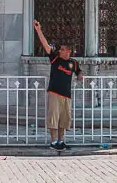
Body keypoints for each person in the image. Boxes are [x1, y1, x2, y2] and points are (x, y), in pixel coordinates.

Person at [33, 20, 83, 150]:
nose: (60, 50)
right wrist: (39, 30)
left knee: (63, 119)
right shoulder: (55, 59)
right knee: (53, 118)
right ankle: (53, 141)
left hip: (66, 95)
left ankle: (61, 141)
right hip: (54, 93)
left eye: (62, 49)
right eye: (60, 49)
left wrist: (80, 75)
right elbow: (45, 45)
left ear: (68, 51)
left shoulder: (73, 63)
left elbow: (78, 71)